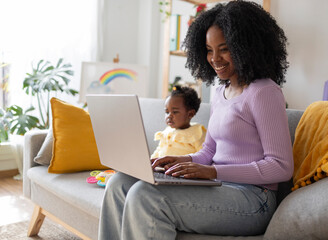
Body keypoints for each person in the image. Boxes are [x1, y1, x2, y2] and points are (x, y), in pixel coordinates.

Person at [98, 1, 294, 239]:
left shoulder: (264, 92)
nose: (214, 58)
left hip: (253, 199)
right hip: (218, 185)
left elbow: (281, 167)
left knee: (145, 195)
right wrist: (178, 161)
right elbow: (209, 150)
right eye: (209, 50)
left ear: (246, 46)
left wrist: (212, 172)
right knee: (119, 183)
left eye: (224, 49)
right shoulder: (220, 91)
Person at [151, 85, 207, 160]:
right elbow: (158, 151)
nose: (169, 116)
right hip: (161, 169)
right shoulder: (167, 132)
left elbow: (204, 156)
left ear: (190, 114)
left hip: (183, 170)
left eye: (175, 112)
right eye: (167, 112)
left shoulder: (197, 132)